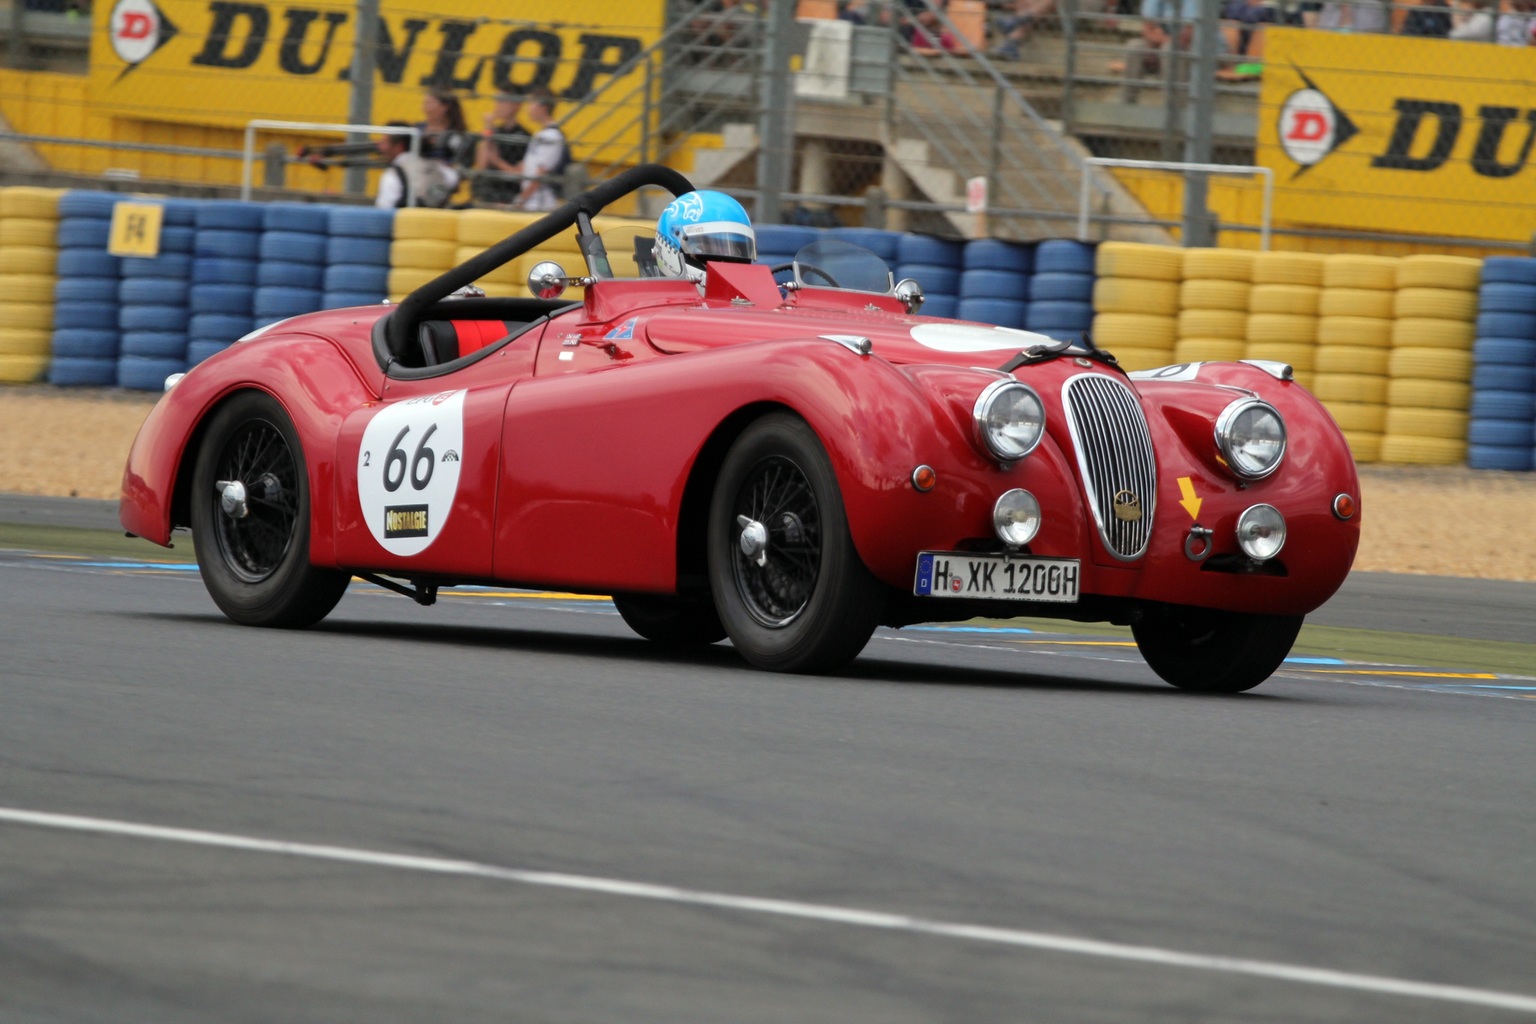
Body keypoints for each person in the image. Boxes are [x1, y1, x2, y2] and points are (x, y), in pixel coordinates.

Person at [651, 190, 757, 282]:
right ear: (670, 249)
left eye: (735, 253)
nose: (723, 264)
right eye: (708, 255)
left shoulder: (758, 300)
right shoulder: (648, 301)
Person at [374, 122, 461, 209]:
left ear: (399, 146)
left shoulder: (393, 175)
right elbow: (454, 178)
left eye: (384, 142)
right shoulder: (437, 166)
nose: (380, 147)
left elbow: (384, 210)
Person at [512, 90, 568, 212]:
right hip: (531, 199)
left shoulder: (551, 136)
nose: (528, 109)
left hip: (539, 202)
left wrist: (521, 200)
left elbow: (540, 174)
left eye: (532, 103)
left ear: (543, 106)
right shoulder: (541, 134)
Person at [472, 93, 531, 206]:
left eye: (503, 101)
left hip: (508, 193)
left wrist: (496, 161)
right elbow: (481, 165)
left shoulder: (524, 136)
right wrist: (488, 128)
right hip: (487, 190)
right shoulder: (495, 132)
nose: (498, 106)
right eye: (497, 101)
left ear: (516, 105)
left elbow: (519, 175)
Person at [417, 91, 472, 165]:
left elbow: (457, 160)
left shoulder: (456, 134)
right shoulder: (417, 129)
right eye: (425, 103)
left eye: (430, 103)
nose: (425, 107)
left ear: (444, 107)